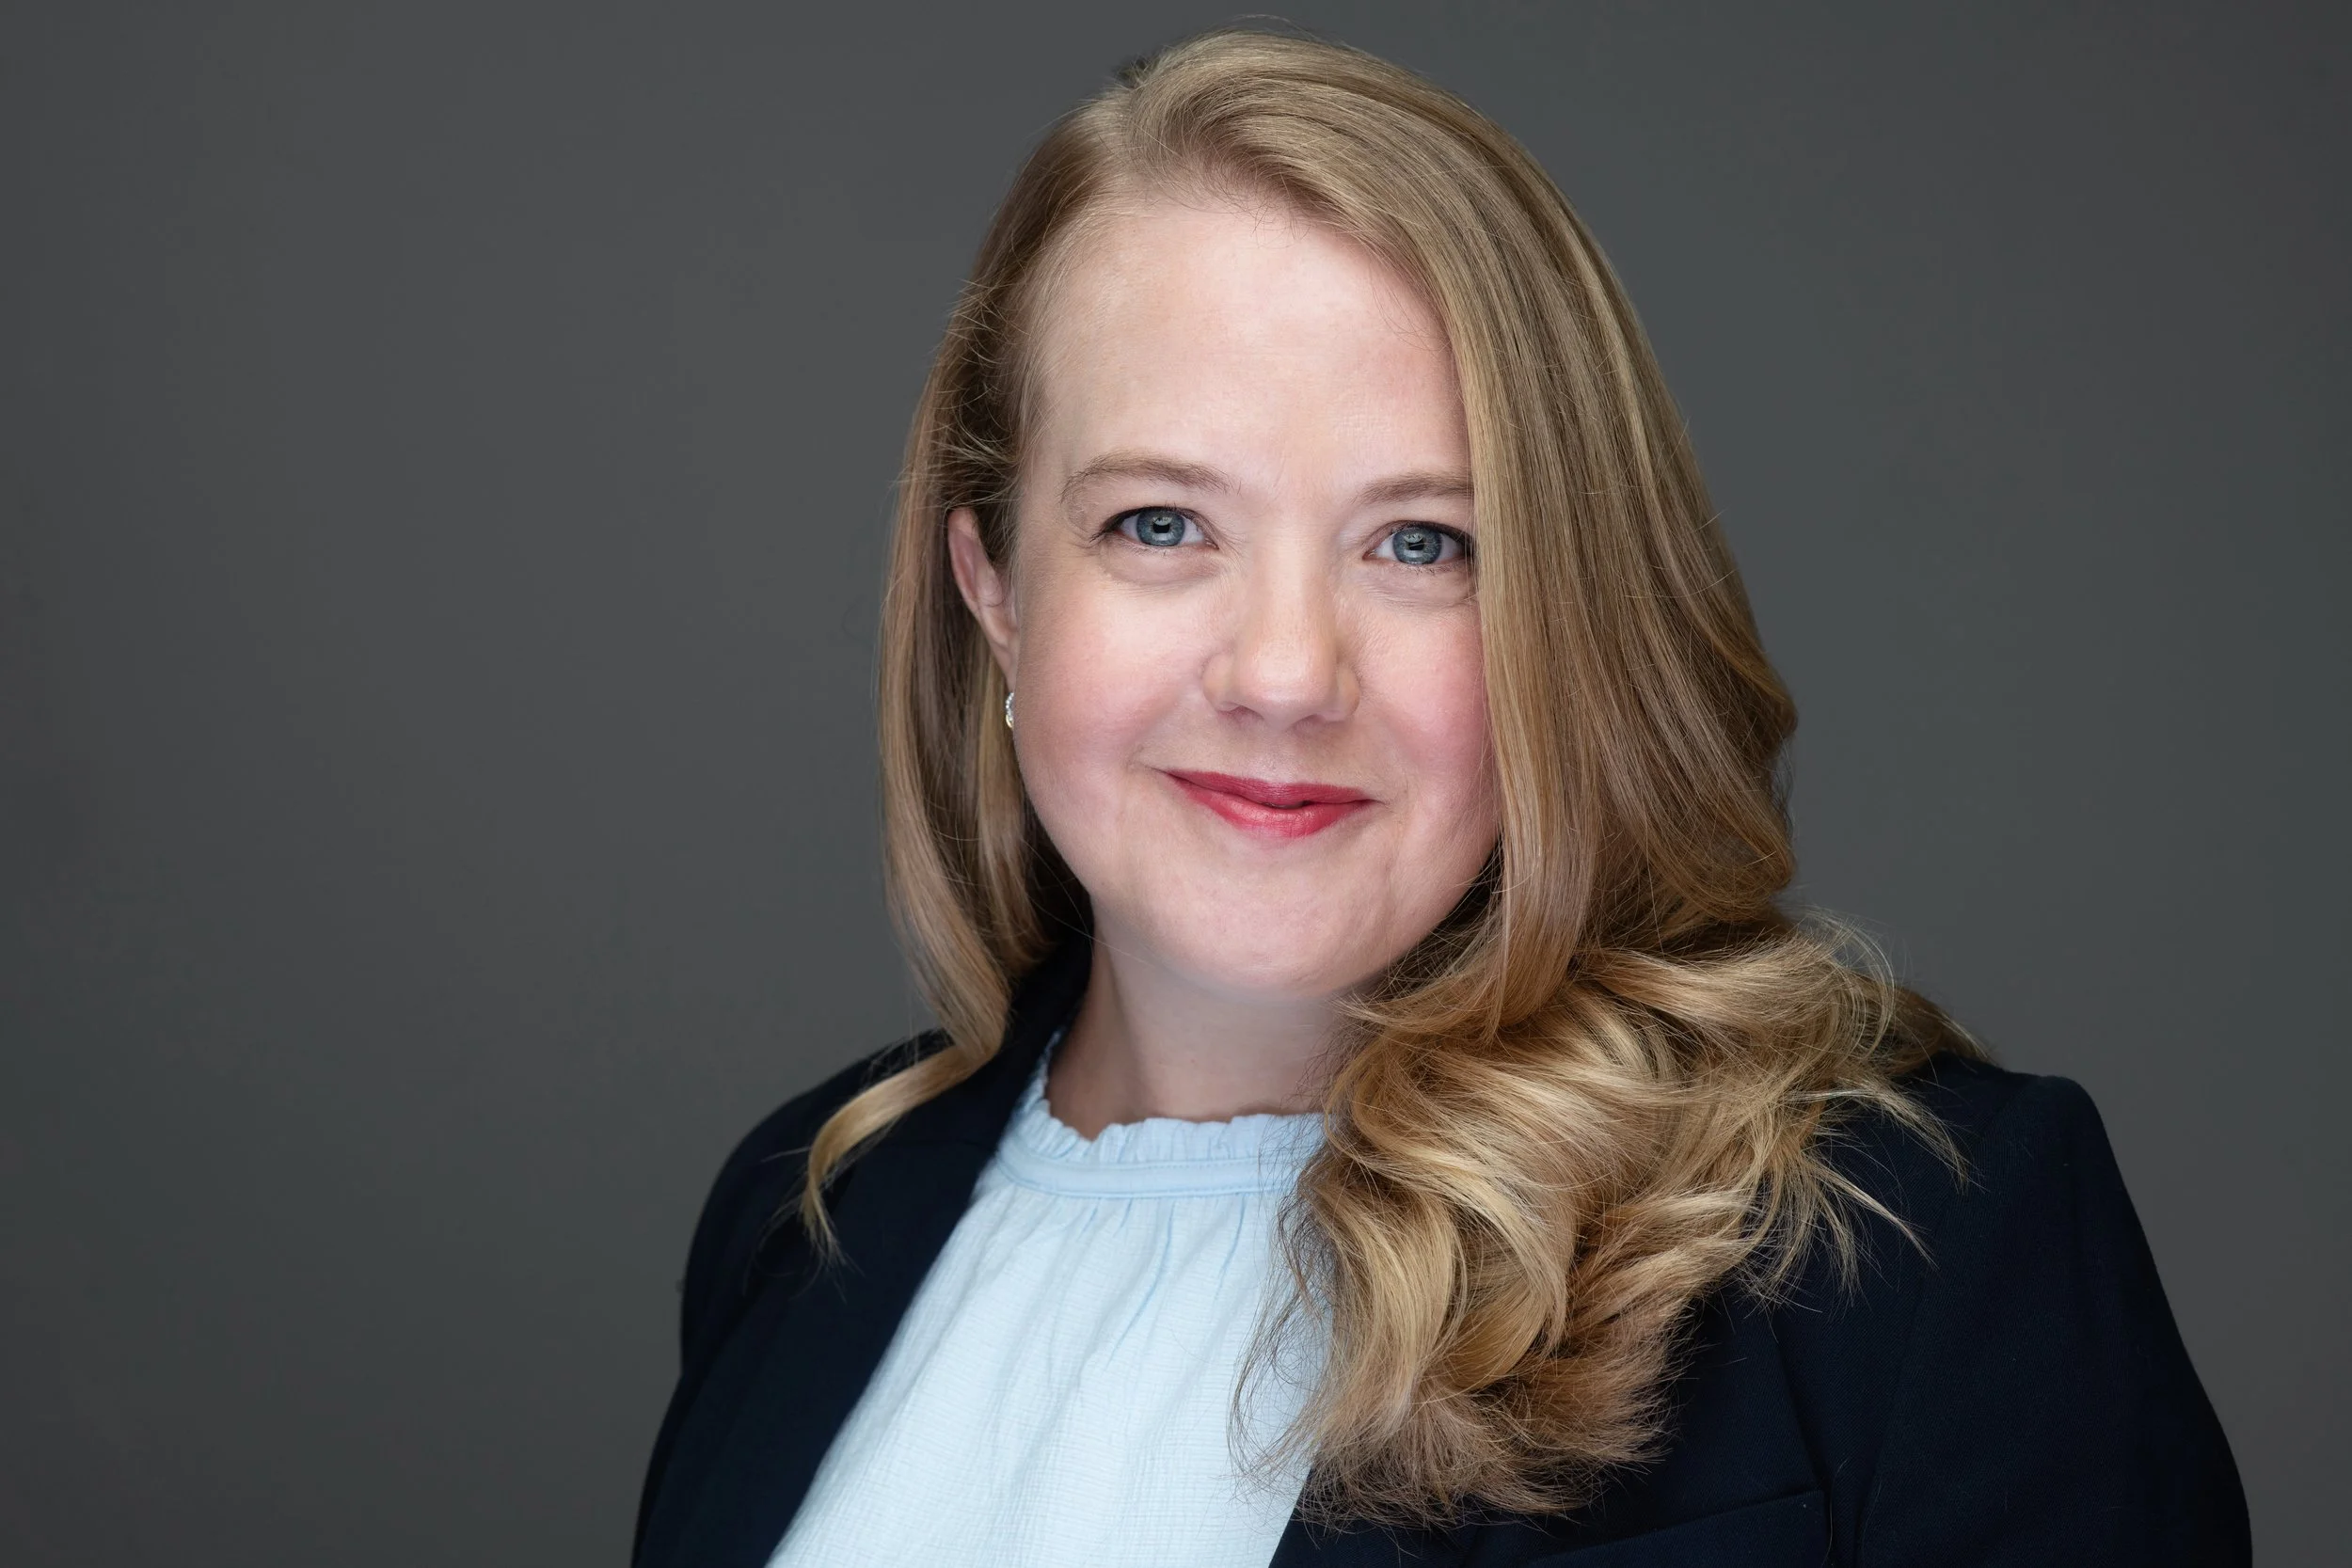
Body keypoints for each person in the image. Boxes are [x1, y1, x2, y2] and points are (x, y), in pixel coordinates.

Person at [632, 28, 2247, 1568]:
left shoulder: (1906, 1258)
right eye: (1160, 524)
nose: (1281, 672)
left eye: (1424, 544)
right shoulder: (804, 1214)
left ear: (1567, 612)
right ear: (991, 584)